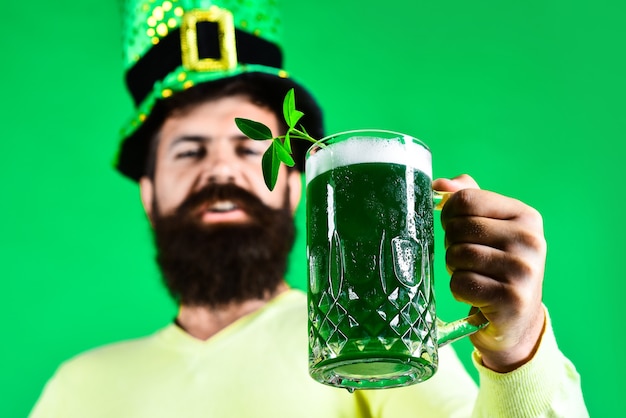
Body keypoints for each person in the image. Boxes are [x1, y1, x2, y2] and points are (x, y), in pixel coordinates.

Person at [30, 0, 588, 416]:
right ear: (149, 194)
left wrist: (516, 350)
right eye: (190, 151)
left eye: (253, 150)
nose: (222, 170)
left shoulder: (370, 351)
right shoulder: (75, 388)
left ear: (300, 189)